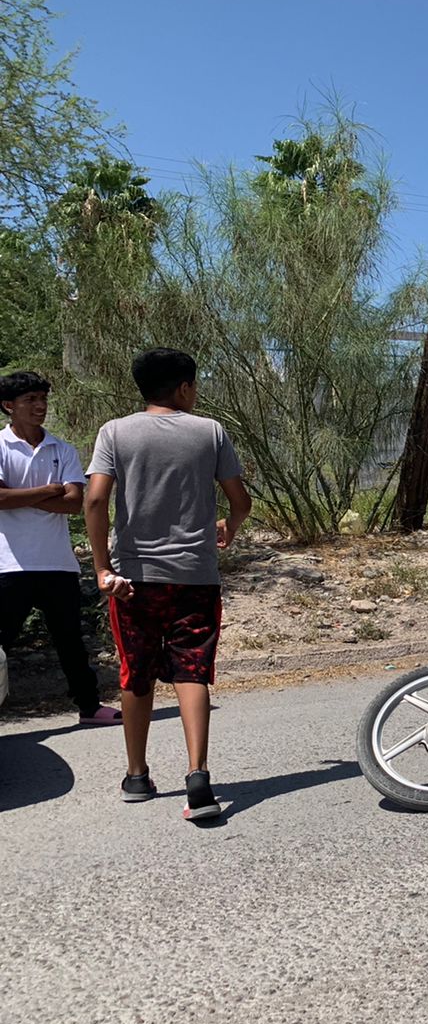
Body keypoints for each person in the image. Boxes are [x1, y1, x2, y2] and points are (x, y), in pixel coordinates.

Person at [85, 349, 252, 820]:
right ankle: (198, 776)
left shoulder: (115, 432)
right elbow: (241, 500)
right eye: (194, 386)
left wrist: (102, 569)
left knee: (134, 671)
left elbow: (96, 499)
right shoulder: (210, 432)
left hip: (133, 579)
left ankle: (137, 775)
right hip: (195, 577)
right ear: (183, 388)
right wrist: (228, 527)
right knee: (192, 670)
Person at [0, 371, 115, 725]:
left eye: (42, 399)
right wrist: (48, 490)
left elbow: (72, 503)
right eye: (30, 400)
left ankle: (90, 707)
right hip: (9, 564)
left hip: (57, 563)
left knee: (70, 642)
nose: (40, 406)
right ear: (8, 406)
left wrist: (21, 496)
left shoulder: (61, 448)